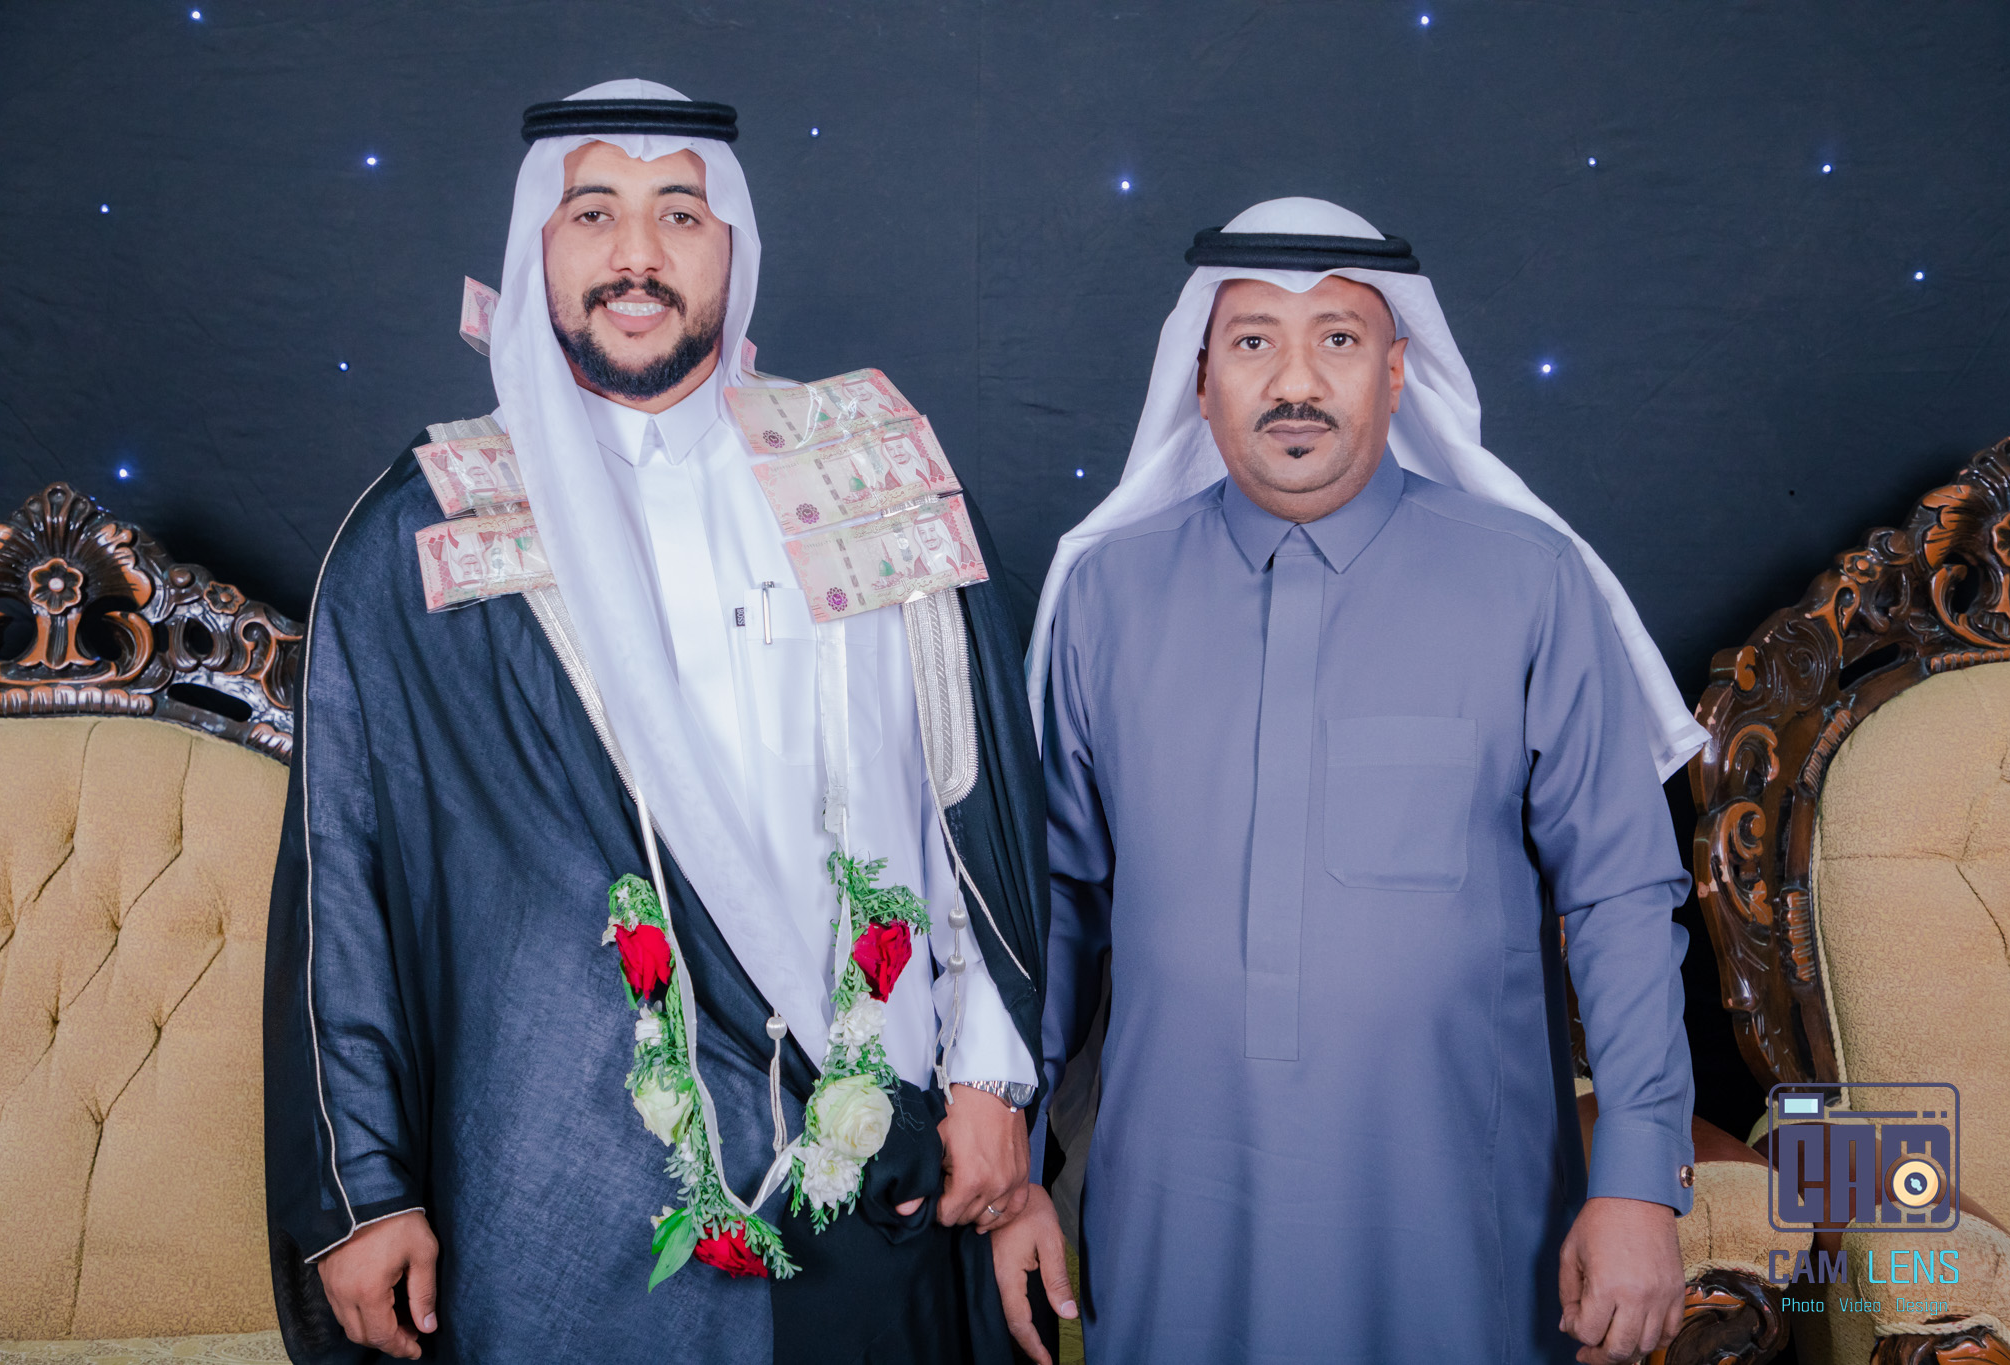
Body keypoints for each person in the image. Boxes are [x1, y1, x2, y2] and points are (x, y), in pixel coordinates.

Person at [264, 80, 1051, 1365]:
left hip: (884, 1157)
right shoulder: (429, 528)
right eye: (594, 214)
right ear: (537, 246)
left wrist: (989, 1079)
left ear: (733, 247)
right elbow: (341, 886)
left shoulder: (867, 472)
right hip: (564, 1181)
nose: (636, 254)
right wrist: (366, 1190)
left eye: (678, 213)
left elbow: (971, 809)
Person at [994, 198, 1708, 1364]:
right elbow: (1057, 909)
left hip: (1457, 1210)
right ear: (1198, 379)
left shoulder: (1528, 583)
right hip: (1173, 1209)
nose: (1295, 382)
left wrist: (1635, 1181)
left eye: (1336, 337)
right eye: (1252, 341)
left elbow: (1620, 894)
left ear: (1396, 371)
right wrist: (1017, 1164)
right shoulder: (1105, 595)